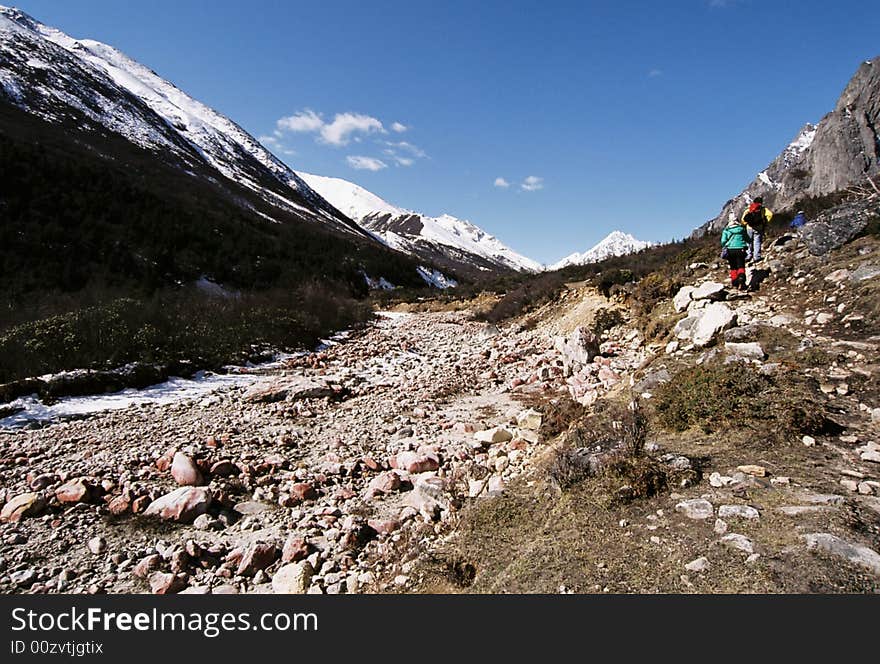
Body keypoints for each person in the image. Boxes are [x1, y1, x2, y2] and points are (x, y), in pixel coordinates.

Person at [721, 213, 750, 290]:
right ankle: (741, 280)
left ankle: (735, 283)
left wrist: (726, 245)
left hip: (730, 250)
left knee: (733, 267)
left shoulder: (726, 230)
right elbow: (747, 239)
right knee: (741, 265)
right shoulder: (742, 229)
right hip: (741, 249)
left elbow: (723, 241)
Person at [741, 196, 773, 262]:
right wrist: (765, 222)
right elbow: (770, 214)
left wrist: (746, 224)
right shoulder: (763, 209)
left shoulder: (749, 209)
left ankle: (748, 255)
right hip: (759, 227)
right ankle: (756, 257)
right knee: (757, 242)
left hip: (749, 227)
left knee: (748, 241)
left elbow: (743, 219)